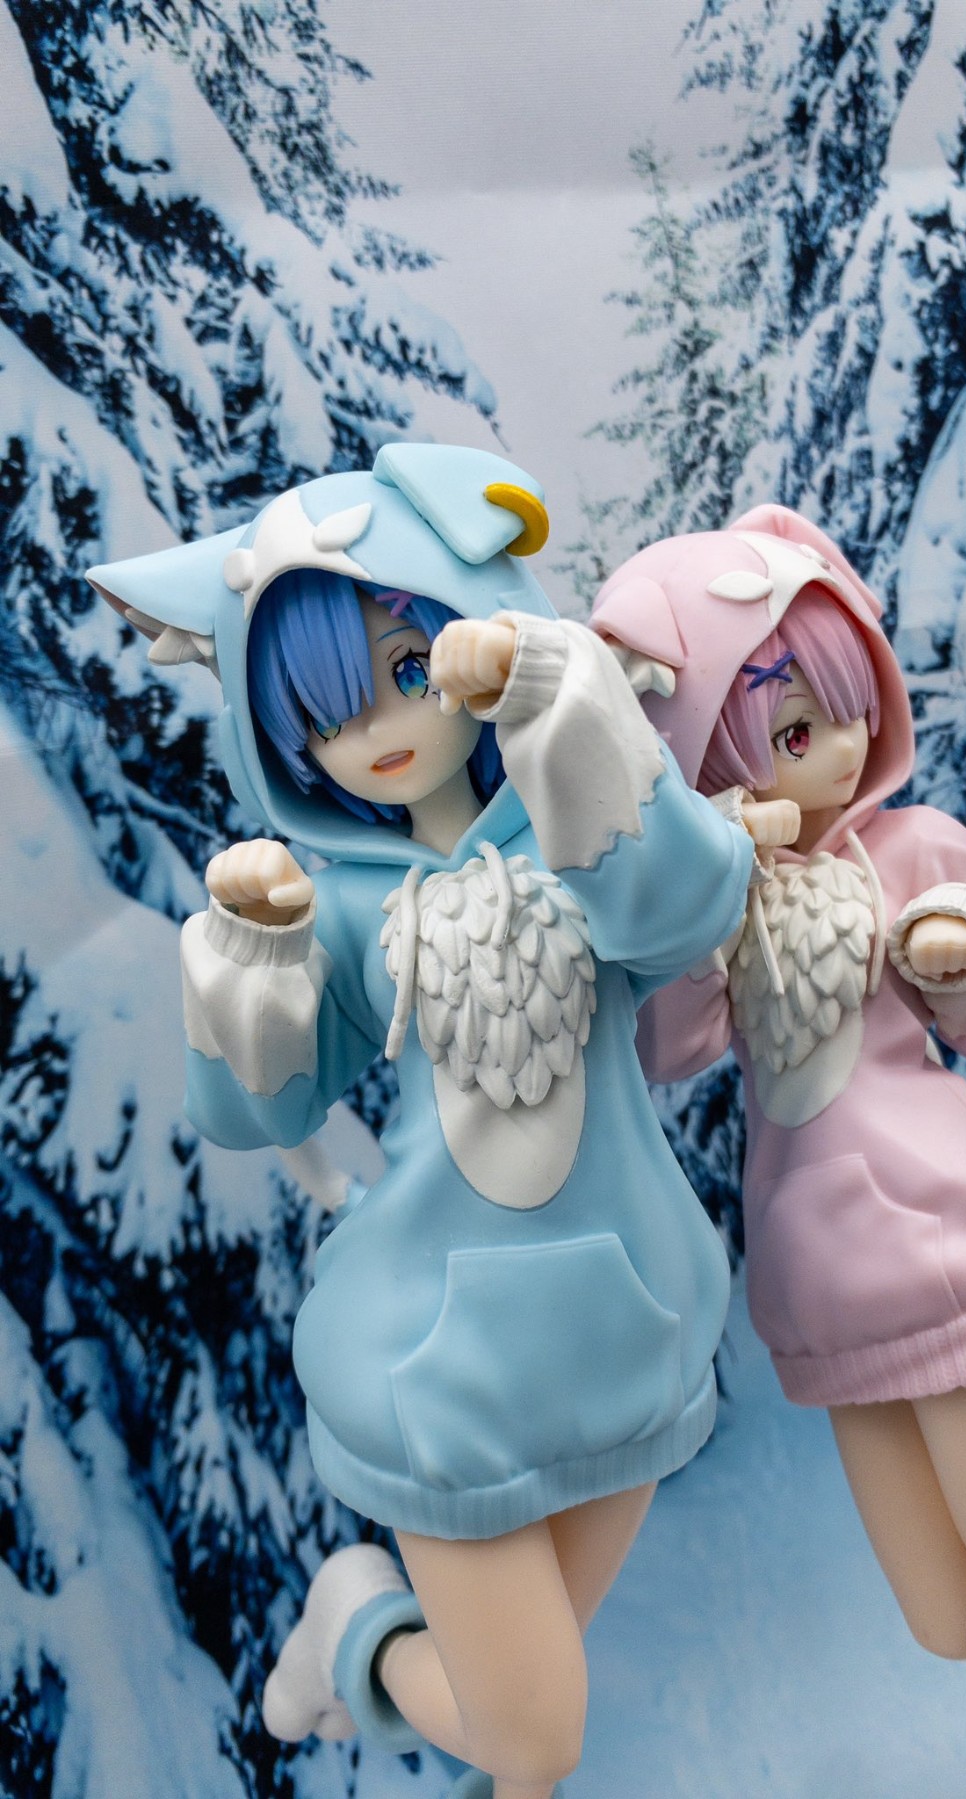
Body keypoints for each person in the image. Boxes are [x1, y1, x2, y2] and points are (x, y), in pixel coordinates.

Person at [87, 443, 753, 1799]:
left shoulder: (574, 820)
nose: (378, 729)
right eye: (323, 712)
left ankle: (389, 1663)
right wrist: (253, 960)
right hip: (437, 1354)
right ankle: (358, 1630)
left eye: (406, 668)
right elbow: (259, 1106)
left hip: (625, 1316)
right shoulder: (333, 903)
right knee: (534, 1733)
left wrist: (559, 710)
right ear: (281, 739)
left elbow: (687, 913)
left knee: (518, 1737)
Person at [589, 503, 966, 1799]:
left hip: (957, 1249)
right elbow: (669, 1049)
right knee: (950, 1618)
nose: (836, 749)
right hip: (827, 1288)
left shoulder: (914, 848)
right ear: (705, 761)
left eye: (848, 706)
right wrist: (696, 897)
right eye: (786, 734)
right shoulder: (722, 901)